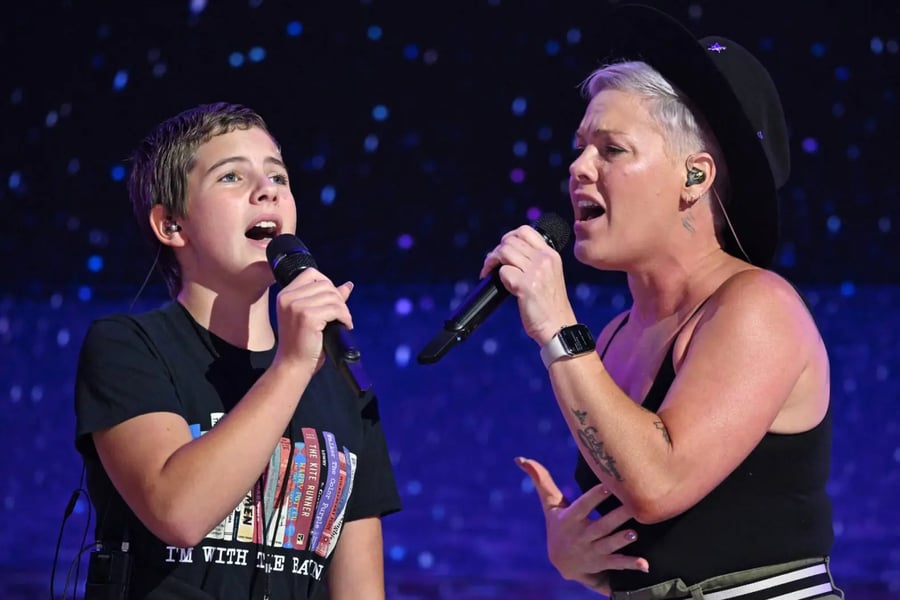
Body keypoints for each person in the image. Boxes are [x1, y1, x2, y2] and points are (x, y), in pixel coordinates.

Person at [483, 5, 842, 599]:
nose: (578, 167)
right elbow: (668, 547)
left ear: (694, 179)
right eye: (579, 148)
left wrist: (556, 326)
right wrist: (581, 560)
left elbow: (658, 483)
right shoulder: (617, 335)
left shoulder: (758, 307)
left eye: (612, 149)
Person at [74, 102, 401, 599]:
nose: (267, 190)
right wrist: (291, 368)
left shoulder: (343, 382)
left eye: (279, 177)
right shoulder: (128, 347)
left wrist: (303, 364)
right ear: (171, 225)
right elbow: (177, 512)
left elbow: (359, 590)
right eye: (231, 177)